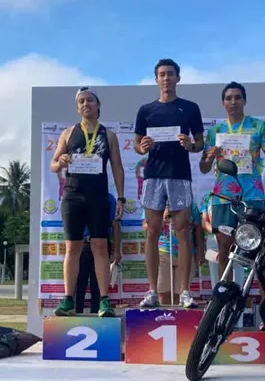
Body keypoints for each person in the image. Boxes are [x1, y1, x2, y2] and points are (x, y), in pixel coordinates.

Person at [133, 58, 204, 309]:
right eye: (162, 74)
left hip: (179, 175)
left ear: (178, 78)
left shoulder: (190, 108)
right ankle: (152, 290)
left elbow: (200, 144)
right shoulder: (146, 110)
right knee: (152, 232)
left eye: (170, 74)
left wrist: (190, 146)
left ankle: (185, 291)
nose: (166, 78)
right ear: (156, 79)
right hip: (153, 176)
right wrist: (142, 147)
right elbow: (136, 144)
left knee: (183, 232)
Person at [51, 87, 125, 317]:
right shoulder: (67, 133)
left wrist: (121, 197)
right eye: (81, 101)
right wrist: (61, 162)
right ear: (77, 107)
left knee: (100, 246)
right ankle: (68, 300)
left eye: (90, 100)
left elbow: (117, 168)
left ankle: (104, 300)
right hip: (73, 195)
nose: (86, 104)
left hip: (98, 196)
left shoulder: (108, 135)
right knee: (72, 248)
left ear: (98, 105)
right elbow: (53, 165)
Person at [200, 81, 265, 282]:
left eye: (237, 97)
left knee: (259, 251)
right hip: (223, 197)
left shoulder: (258, 126)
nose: (233, 102)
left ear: (244, 101)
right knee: (224, 249)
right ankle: (224, 302)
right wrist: (209, 156)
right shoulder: (215, 131)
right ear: (223, 103)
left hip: (252, 195)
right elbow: (203, 168)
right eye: (228, 98)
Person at [142, 201, 205, 306]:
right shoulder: (155, 201)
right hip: (163, 253)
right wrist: (161, 219)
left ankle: (178, 319)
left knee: (179, 294)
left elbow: (198, 228)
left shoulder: (189, 203)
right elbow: (145, 226)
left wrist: (200, 251)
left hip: (185, 254)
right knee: (163, 292)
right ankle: (165, 317)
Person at [75, 193, 122, 314]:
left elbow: (115, 224)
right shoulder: (77, 196)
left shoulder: (108, 198)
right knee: (79, 282)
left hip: (102, 243)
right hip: (83, 243)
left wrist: (117, 251)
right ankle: (76, 313)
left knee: (99, 283)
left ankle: (96, 314)